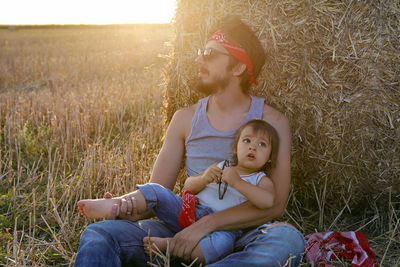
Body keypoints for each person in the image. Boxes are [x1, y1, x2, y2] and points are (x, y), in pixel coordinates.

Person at [74, 15, 305, 266]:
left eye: (209, 53)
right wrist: (130, 209)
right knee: (100, 234)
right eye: (199, 51)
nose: (198, 59)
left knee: (288, 239)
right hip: (184, 225)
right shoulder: (184, 118)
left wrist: (208, 225)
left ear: (238, 67)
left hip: (245, 232)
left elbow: (275, 207)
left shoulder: (273, 122)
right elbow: (158, 192)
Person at [77, 119, 279, 265]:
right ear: (235, 148)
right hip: (190, 212)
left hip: (222, 228)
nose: (253, 147)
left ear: (269, 158)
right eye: (247, 141)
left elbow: (267, 202)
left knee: (220, 246)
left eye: (262, 144)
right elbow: (188, 187)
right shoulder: (221, 165)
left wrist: (238, 183)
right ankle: (117, 204)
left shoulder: (261, 180)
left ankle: (170, 246)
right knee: (157, 191)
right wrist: (204, 177)